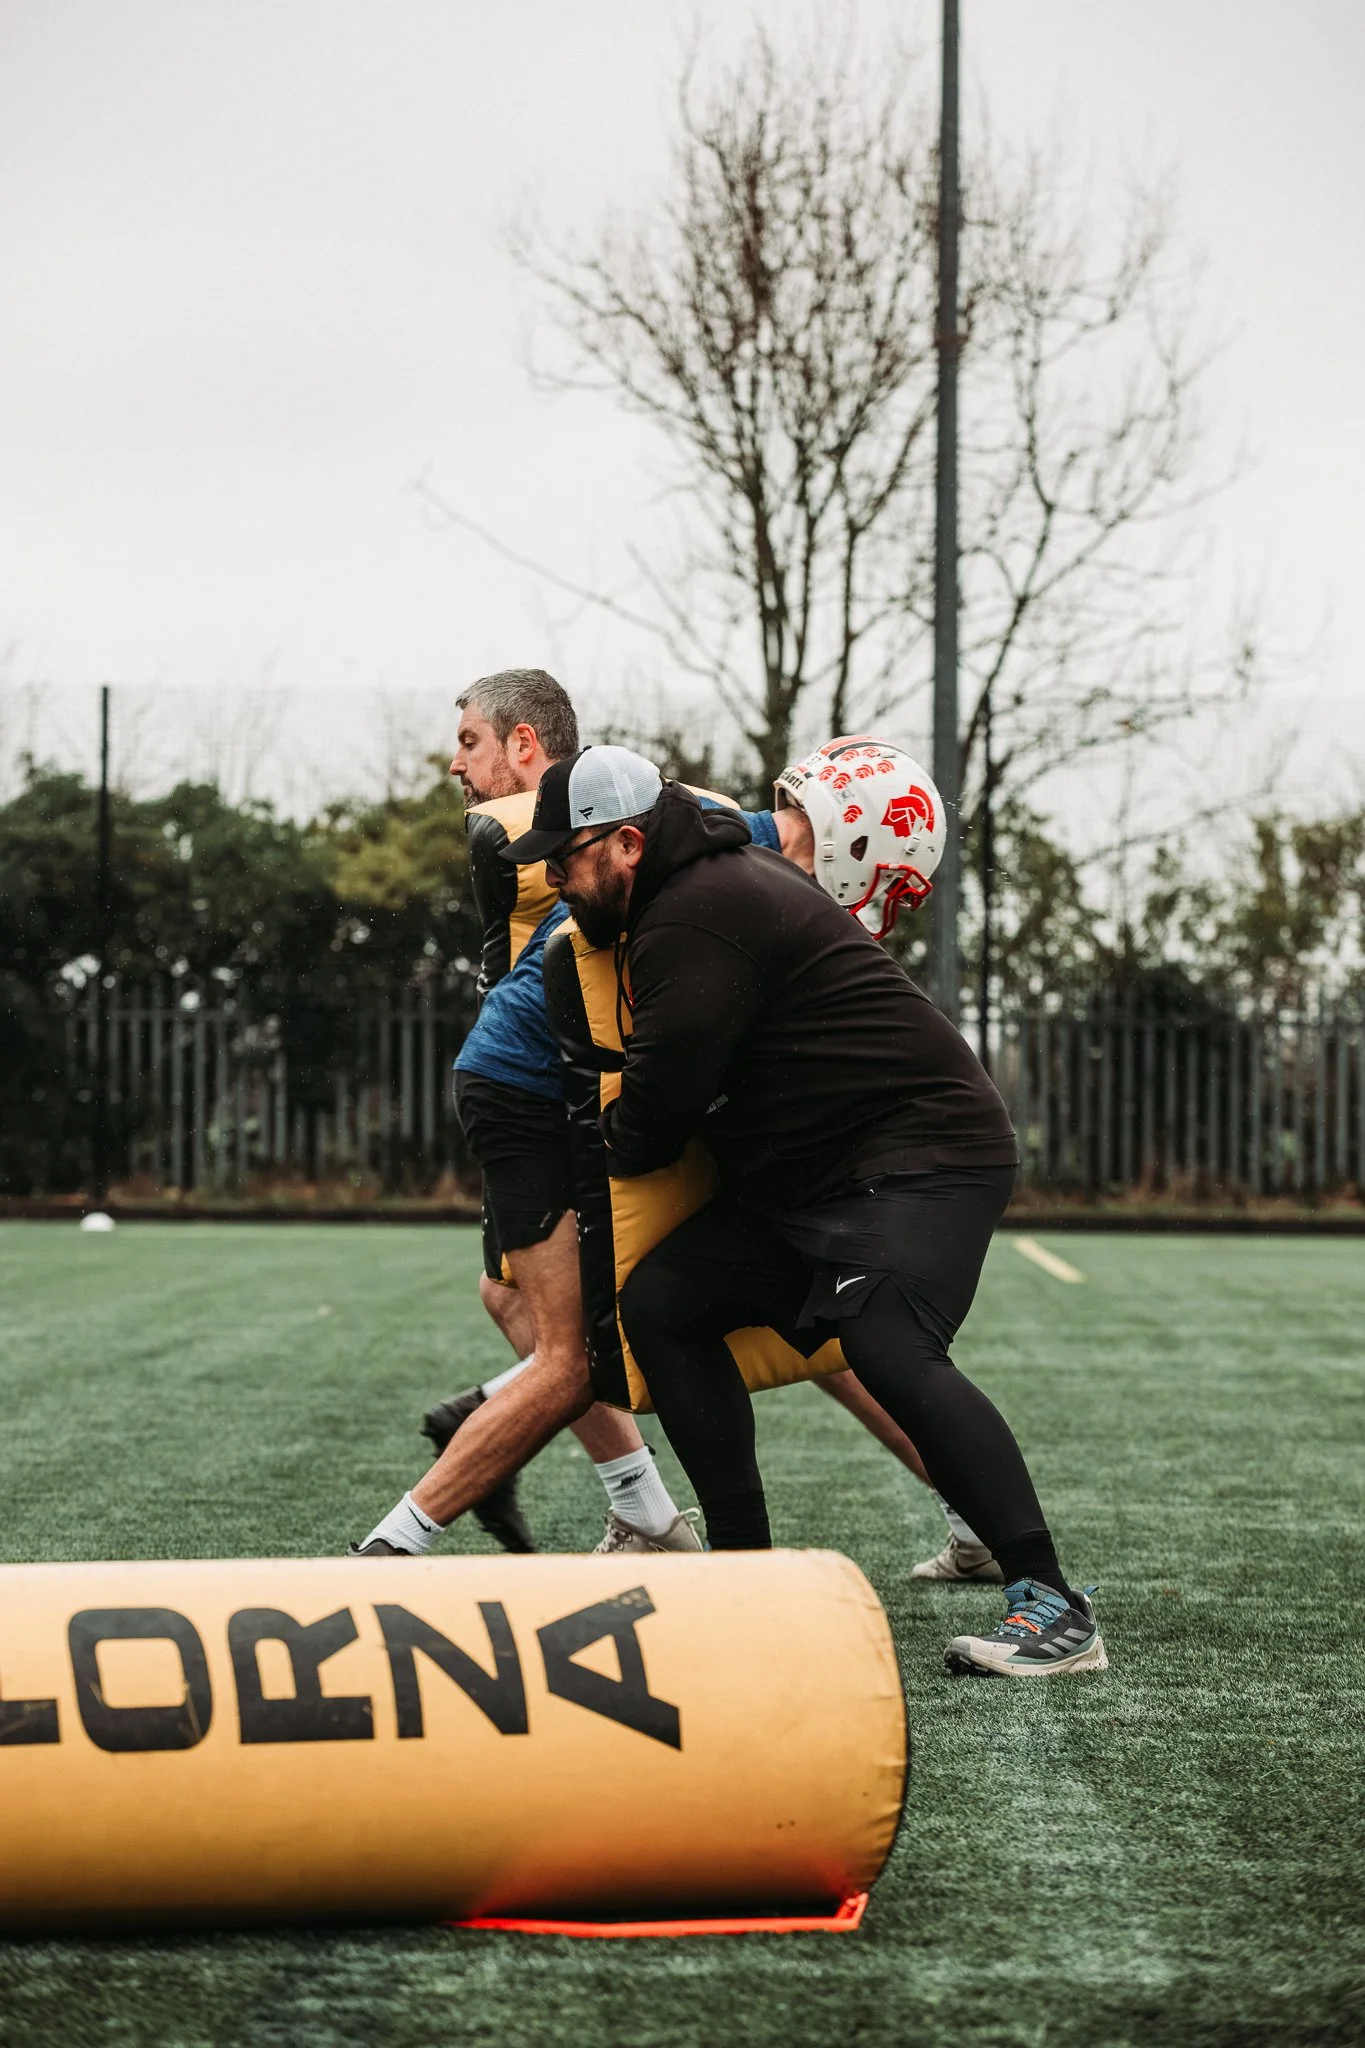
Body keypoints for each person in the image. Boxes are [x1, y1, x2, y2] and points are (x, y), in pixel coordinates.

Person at [503, 744, 1106, 1678]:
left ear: (627, 845)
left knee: (886, 1342)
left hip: (921, 1158)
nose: (552, 878)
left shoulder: (693, 914)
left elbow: (658, 1118)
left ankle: (1050, 1601)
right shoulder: (694, 890)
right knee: (664, 1304)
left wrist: (599, 1151)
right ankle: (745, 1578)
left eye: (564, 858)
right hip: (818, 1178)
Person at [352, 671, 699, 1559]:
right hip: (540, 1089)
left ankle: (409, 1533)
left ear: (523, 746)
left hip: (561, 1091)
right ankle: (640, 1509)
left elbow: (710, 816)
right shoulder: (532, 836)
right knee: (543, 1320)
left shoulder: (588, 816)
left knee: (565, 1332)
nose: (455, 765)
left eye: (469, 741)